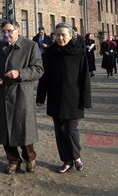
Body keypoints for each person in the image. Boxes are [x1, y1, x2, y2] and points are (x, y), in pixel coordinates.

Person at [0, 20, 43, 175]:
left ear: (18, 31)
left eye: (9, 31)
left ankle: (30, 157)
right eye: (4, 32)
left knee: (24, 130)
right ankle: (13, 160)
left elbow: (39, 69)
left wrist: (19, 73)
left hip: (22, 94)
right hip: (4, 94)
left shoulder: (30, 46)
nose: (6, 34)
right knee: (5, 131)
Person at [37, 22, 91, 173]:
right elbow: (44, 77)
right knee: (59, 130)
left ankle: (77, 157)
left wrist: (85, 100)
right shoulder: (49, 53)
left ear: (71, 36)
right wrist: (41, 96)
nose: (60, 38)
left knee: (71, 128)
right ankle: (66, 160)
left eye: (63, 35)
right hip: (55, 96)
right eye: (57, 35)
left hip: (73, 97)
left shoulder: (79, 53)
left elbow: (84, 77)